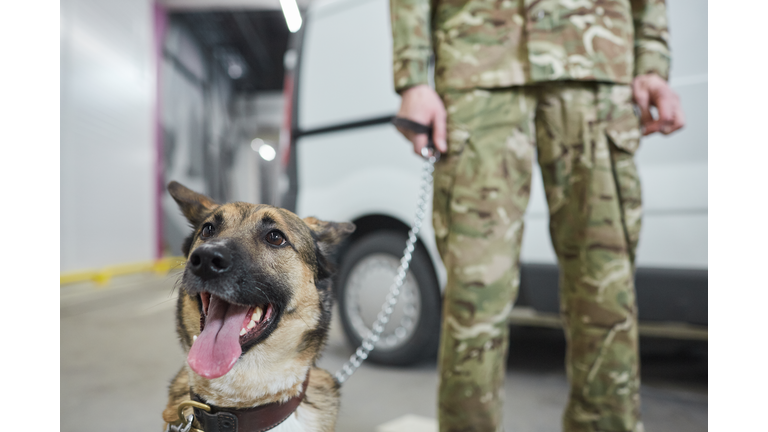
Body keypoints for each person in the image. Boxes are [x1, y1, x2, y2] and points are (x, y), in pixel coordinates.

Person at [390, 1, 684, 431]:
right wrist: (413, 76)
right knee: (475, 296)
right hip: (480, 64)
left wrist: (653, 62)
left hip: (594, 65)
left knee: (605, 289)